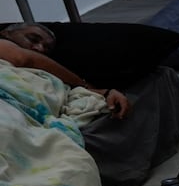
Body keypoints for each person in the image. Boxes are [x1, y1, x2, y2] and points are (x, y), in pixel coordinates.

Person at [0, 24, 129, 118]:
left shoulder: (48, 76)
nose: (39, 49)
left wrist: (104, 94)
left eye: (46, 49)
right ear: (6, 33)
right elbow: (22, 58)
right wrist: (91, 88)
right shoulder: (4, 43)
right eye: (33, 39)